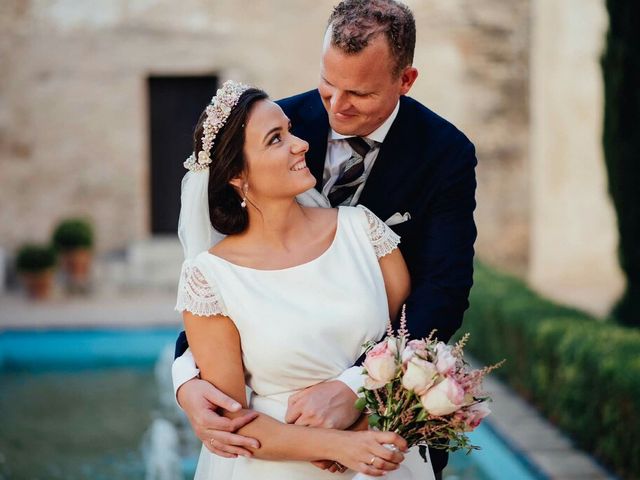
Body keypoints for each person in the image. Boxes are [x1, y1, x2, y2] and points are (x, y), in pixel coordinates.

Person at [173, 1, 477, 478]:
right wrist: (187, 382)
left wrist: (358, 387)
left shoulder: (443, 155)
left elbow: (441, 293)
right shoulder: (280, 122)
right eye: (328, 84)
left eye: (358, 92)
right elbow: (224, 296)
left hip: (383, 433)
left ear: (406, 81)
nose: (335, 106)